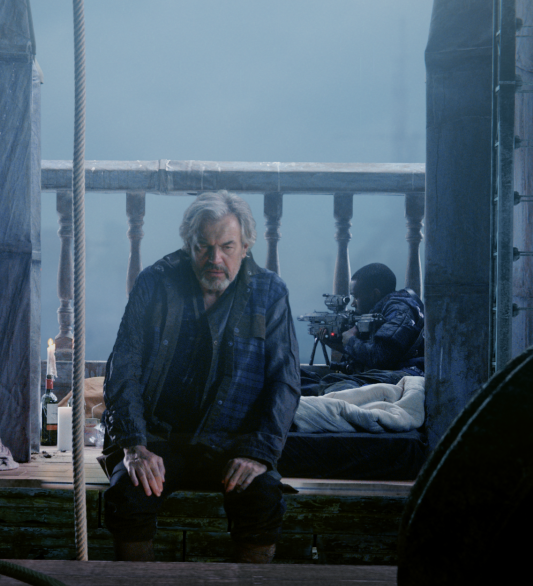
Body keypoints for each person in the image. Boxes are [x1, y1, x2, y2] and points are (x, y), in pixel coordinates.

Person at [100, 190, 300, 564]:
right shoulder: (155, 282)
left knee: (263, 500)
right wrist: (134, 446)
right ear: (188, 244)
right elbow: (124, 368)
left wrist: (259, 453)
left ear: (246, 246)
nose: (215, 259)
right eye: (203, 247)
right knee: (128, 495)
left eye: (227, 247)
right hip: (158, 438)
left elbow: (284, 381)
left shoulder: (270, 292)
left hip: (233, 443)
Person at [303, 262, 425, 395]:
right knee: (303, 377)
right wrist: (337, 345)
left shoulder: (399, 310)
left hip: (406, 373)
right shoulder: (384, 310)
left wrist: (351, 341)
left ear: (375, 294)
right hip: (387, 373)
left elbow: (380, 357)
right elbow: (380, 353)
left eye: (356, 297)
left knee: (334, 384)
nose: (353, 303)